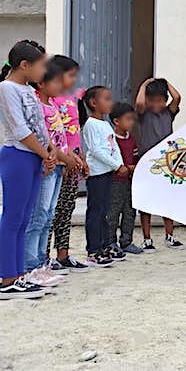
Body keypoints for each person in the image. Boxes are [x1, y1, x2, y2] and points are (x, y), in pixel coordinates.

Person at [0, 40, 56, 299]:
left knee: (24, 219)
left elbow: (40, 125)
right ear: (24, 65)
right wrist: (45, 153)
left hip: (35, 157)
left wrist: (51, 148)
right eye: (41, 66)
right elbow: (21, 129)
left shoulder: (28, 90)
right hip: (19, 157)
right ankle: (7, 276)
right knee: (12, 218)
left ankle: (18, 273)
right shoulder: (7, 88)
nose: (44, 71)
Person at [24, 59, 83, 287]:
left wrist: (70, 158)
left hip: (60, 166)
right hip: (49, 164)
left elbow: (64, 138)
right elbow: (44, 140)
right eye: (56, 81)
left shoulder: (53, 106)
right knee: (39, 217)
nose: (60, 86)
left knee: (48, 215)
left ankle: (42, 264)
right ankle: (31, 266)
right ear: (41, 83)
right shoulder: (39, 106)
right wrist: (61, 157)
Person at [48, 54, 90, 274]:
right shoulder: (51, 100)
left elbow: (75, 132)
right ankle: (44, 258)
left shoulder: (72, 100)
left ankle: (63, 254)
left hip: (74, 160)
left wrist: (81, 158)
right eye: (70, 75)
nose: (74, 80)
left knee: (67, 209)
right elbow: (56, 135)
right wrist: (63, 163)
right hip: (61, 162)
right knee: (51, 211)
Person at [135, 77, 184, 252]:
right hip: (146, 162)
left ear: (165, 100)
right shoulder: (143, 114)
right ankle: (147, 239)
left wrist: (165, 82)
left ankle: (169, 236)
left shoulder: (168, 113)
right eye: (152, 100)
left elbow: (177, 97)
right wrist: (144, 84)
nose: (156, 104)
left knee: (167, 200)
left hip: (166, 162)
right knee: (145, 203)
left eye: (160, 100)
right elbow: (140, 102)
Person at [80, 86, 126, 267]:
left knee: (104, 211)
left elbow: (114, 147)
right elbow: (96, 150)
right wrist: (116, 165)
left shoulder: (106, 124)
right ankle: (93, 250)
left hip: (108, 172)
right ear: (93, 103)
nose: (111, 103)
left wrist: (119, 164)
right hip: (97, 174)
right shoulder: (91, 124)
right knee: (96, 212)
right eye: (106, 99)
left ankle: (105, 245)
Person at [105, 102, 142, 255]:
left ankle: (126, 241)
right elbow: (110, 159)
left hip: (130, 182)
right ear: (116, 121)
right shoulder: (111, 139)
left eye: (132, 119)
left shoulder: (131, 139)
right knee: (113, 213)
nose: (132, 123)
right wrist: (125, 167)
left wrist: (135, 168)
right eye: (128, 119)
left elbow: (134, 157)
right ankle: (110, 242)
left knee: (129, 212)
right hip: (115, 182)